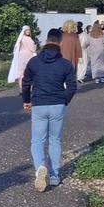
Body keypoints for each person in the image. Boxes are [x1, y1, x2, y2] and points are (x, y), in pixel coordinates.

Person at [21, 28, 78, 192]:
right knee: (55, 140)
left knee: (37, 141)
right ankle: (54, 176)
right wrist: (64, 100)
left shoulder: (34, 62)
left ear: (46, 40)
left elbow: (26, 83)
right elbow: (72, 87)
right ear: (60, 42)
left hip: (38, 104)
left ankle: (40, 167)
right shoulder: (65, 64)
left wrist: (26, 100)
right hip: (57, 104)